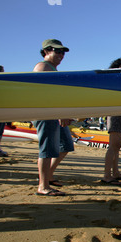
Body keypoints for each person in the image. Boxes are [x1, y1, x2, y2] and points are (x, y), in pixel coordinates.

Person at [33, 39, 74, 196]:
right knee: (47, 149)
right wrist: (60, 113)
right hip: (45, 114)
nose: (61, 55)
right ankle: (43, 186)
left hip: (54, 114)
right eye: (58, 51)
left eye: (63, 52)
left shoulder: (52, 69)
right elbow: (42, 95)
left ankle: (48, 176)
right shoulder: (42, 67)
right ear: (46, 52)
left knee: (66, 146)